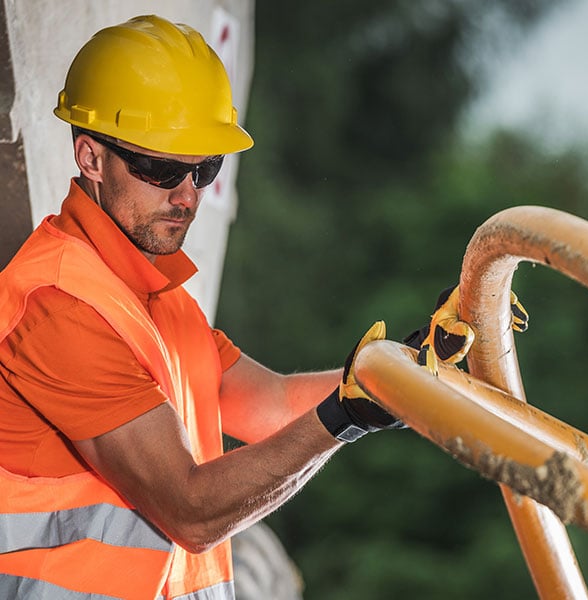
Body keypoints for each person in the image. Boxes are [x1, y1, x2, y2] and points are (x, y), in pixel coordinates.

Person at [0, 15, 409, 600]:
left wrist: (394, 373)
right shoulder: (58, 304)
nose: (188, 195)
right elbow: (191, 511)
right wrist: (345, 416)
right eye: (162, 168)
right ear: (90, 158)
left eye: (204, 168)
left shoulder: (155, 299)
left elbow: (269, 406)